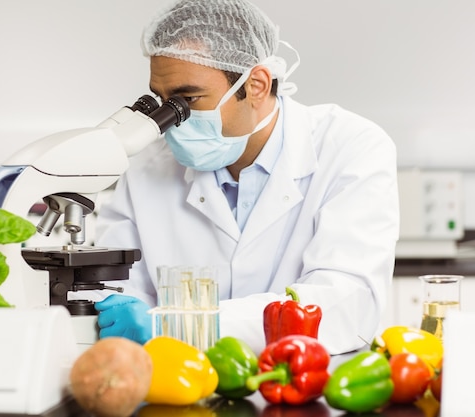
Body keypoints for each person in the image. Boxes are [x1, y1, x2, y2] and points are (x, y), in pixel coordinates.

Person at [89, 0, 399, 355]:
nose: (172, 119)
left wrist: (180, 325)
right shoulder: (147, 164)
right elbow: (118, 293)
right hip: (179, 385)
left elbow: (346, 304)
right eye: (161, 100)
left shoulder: (349, 146)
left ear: (256, 85)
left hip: (304, 385)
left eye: (188, 99)